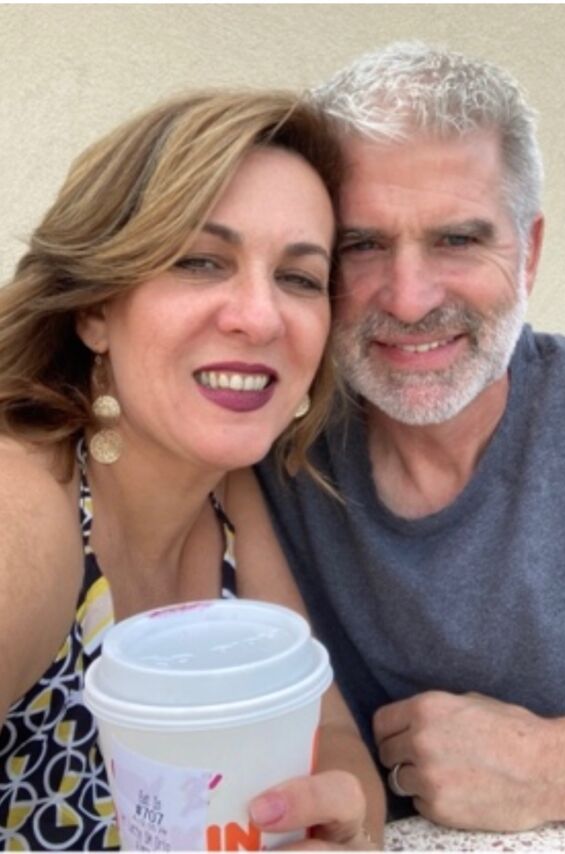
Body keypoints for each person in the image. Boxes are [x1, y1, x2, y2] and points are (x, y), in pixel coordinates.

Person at [239, 41, 565, 831]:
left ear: (528, 254)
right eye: (362, 245)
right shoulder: (265, 469)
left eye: (457, 239)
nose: (410, 299)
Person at [0, 89, 385, 850]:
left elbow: (330, 736)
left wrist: (342, 823)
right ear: (95, 310)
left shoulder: (226, 492)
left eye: (299, 278)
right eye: (201, 261)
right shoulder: (28, 505)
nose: (261, 317)